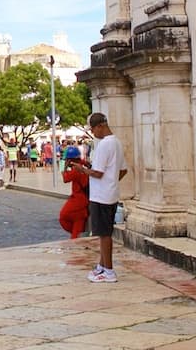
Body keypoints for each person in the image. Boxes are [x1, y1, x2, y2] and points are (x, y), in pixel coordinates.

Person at [71, 112, 127, 283]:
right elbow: (123, 170)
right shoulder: (116, 143)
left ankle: (109, 271)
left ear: (100, 126)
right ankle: (102, 265)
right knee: (104, 231)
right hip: (110, 193)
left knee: (104, 234)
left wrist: (82, 170)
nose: (93, 133)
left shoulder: (104, 145)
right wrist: (112, 182)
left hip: (101, 196)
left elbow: (98, 172)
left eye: (93, 129)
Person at [58, 147, 90, 239]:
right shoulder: (83, 165)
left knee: (63, 216)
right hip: (84, 201)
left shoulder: (76, 170)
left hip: (78, 201)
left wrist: (64, 167)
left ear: (70, 160)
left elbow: (65, 179)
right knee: (76, 233)